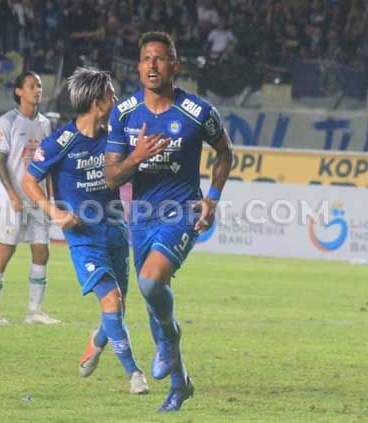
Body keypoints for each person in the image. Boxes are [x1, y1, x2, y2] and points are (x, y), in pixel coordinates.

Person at [105, 31, 233, 412]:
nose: (151, 65)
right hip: (141, 218)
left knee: (149, 282)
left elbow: (225, 153)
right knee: (151, 301)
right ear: (139, 66)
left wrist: (212, 198)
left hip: (182, 213)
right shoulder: (124, 112)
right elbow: (112, 177)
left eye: (160, 59)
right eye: (145, 59)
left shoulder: (198, 113)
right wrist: (136, 157)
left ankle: (165, 343)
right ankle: (180, 384)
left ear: (174, 67)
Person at [21, 67, 149, 395]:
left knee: (117, 307)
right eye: (110, 94)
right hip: (84, 238)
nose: (115, 99)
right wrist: (56, 212)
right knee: (111, 301)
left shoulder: (115, 138)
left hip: (116, 231)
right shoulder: (62, 141)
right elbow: (28, 180)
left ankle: (97, 340)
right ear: (96, 101)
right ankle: (135, 374)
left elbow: (129, 174)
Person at [0, 70, 60, 325]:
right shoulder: (7, 122)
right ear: (18, 91)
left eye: (39, 85)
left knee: (42, 251)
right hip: (11, 198)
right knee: (6, 250)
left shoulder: (45, 124)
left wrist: (51, 196)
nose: (37, 90)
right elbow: (0, 161)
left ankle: (34, 311)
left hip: (37, 197)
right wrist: (12, 193)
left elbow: (48, 163)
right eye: (31, 86)